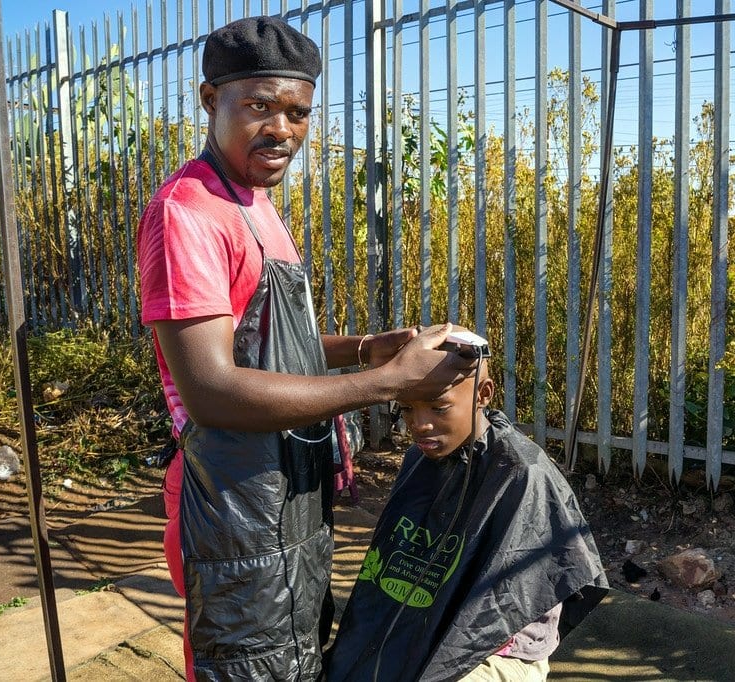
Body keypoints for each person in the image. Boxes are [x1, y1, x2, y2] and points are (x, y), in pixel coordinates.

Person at [136, 16, 472, 681]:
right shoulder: (186, 214)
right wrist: (390, 383)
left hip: (285, 486)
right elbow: (212, 388)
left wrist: (365, 349)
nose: (281, 128)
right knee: (245, 665)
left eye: (297, 111)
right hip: (230, 499)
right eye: (258, 105)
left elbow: (260, 345)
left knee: (294, 652)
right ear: (211, 101)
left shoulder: (253, 201)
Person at [325, 332, 609, 681]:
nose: (419, 424)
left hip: (499, 653)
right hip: (424, 626)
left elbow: (509, 601)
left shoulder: (522, 474)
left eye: (438, 407)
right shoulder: (419, 458)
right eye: (407, 409)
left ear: (482, 394)